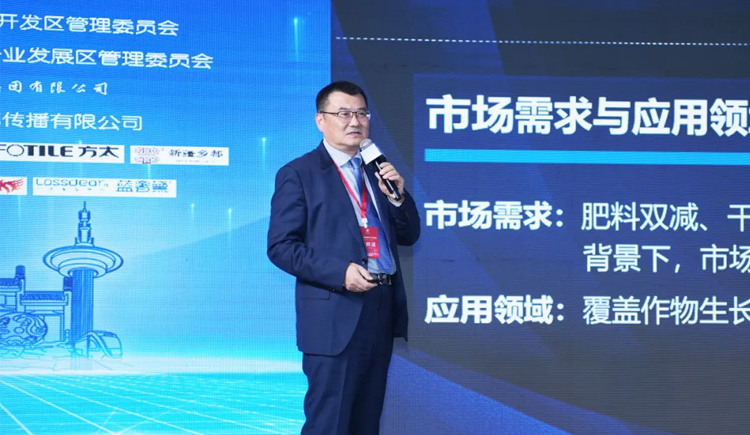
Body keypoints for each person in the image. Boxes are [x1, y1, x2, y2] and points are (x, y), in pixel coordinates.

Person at [267, 81, 421, 434]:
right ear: (320, 120)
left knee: (366, 423)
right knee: (329, 424)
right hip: (333, 315)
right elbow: (281, 246)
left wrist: (397, 198)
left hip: (379, 307)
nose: (355, 121)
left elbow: (409, 235)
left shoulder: (376, 171)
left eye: (362, 113)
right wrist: (340, 272)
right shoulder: (299, 174)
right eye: (344, 113)